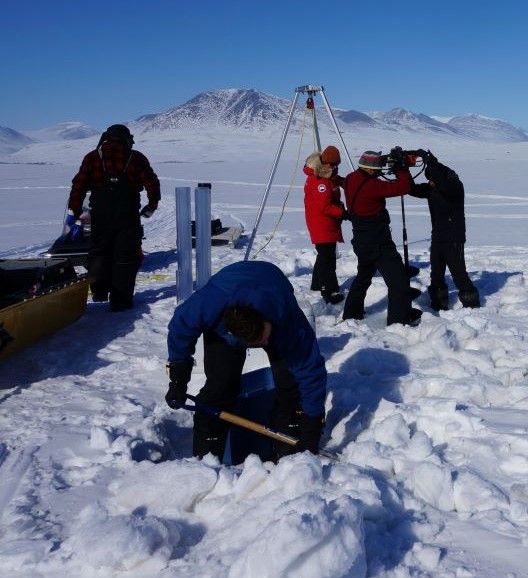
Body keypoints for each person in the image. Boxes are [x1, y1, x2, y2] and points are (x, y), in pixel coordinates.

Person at [164, 260, 327, 460]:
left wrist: (312, 425)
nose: (263, 344)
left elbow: (311, 370)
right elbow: (180, 326)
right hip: (227, 300)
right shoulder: (210, 303)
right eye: (256, 343)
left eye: (264, 339)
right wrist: (179, 378)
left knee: (290, 386)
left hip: (270, 285)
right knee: (221, 386)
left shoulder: (285, 316)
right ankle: (207, 457)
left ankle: (290, 446)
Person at [68, 124, 160, 311]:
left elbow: (78, 185)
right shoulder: (136, 158)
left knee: (99, 253)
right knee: (125, 257)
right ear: (127, 139)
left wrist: (74, 210)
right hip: (128, 217)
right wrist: (151, 206)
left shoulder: (92, 158)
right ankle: (121, 301)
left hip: (100, 217)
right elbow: (152, 184)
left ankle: (99, 292)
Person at [340, 148, 423, 325]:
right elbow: (404, 187)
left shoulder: (351, 178)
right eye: (377, 170)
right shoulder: (372, 186)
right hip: (378, 242)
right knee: (398, 281)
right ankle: (399, 321)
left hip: (361, 240)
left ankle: (351, 314)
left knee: (363, 278)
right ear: (370, 170)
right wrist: (401, 169)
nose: (379, 173)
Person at [418, 151, 480, 310]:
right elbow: (411, 189)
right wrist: (402, 171)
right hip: (438, 237)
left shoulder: (454, 186)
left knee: (459, 274)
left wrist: (433, 163)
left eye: (432, 179)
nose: (430, 183)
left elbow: (445, 186)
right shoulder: (433, 188)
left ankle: (472, 307)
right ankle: (438, 304)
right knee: (436, 275)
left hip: (454, 238)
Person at [303, 145, 346, 304]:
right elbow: (325, 207)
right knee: (327, 258)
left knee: (323, 255)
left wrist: (347, 182)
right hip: (321, 224)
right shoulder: (319, 180)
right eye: (333, 164)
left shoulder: (326, 174)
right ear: (325, 162)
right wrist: (343, 213)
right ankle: (329, 290)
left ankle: (317, 284)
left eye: (337, 165)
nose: (335, 168)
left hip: (322, 222)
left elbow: (335, 181)